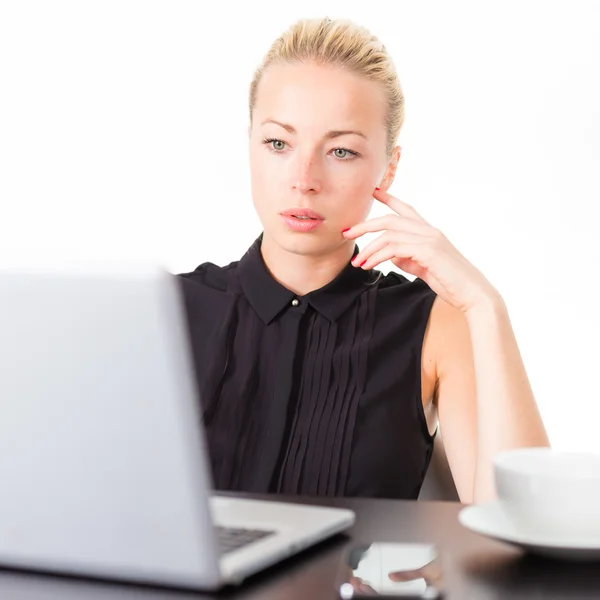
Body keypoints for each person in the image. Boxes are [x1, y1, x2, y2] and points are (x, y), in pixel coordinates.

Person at [177, 16, 550, 504]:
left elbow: (525, 526)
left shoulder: (437, 323)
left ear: (388, 169)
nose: (304, 178)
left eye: (341, 151)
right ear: (250, 144)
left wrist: (484, 304)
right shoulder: (166, 309)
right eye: (278, 143)